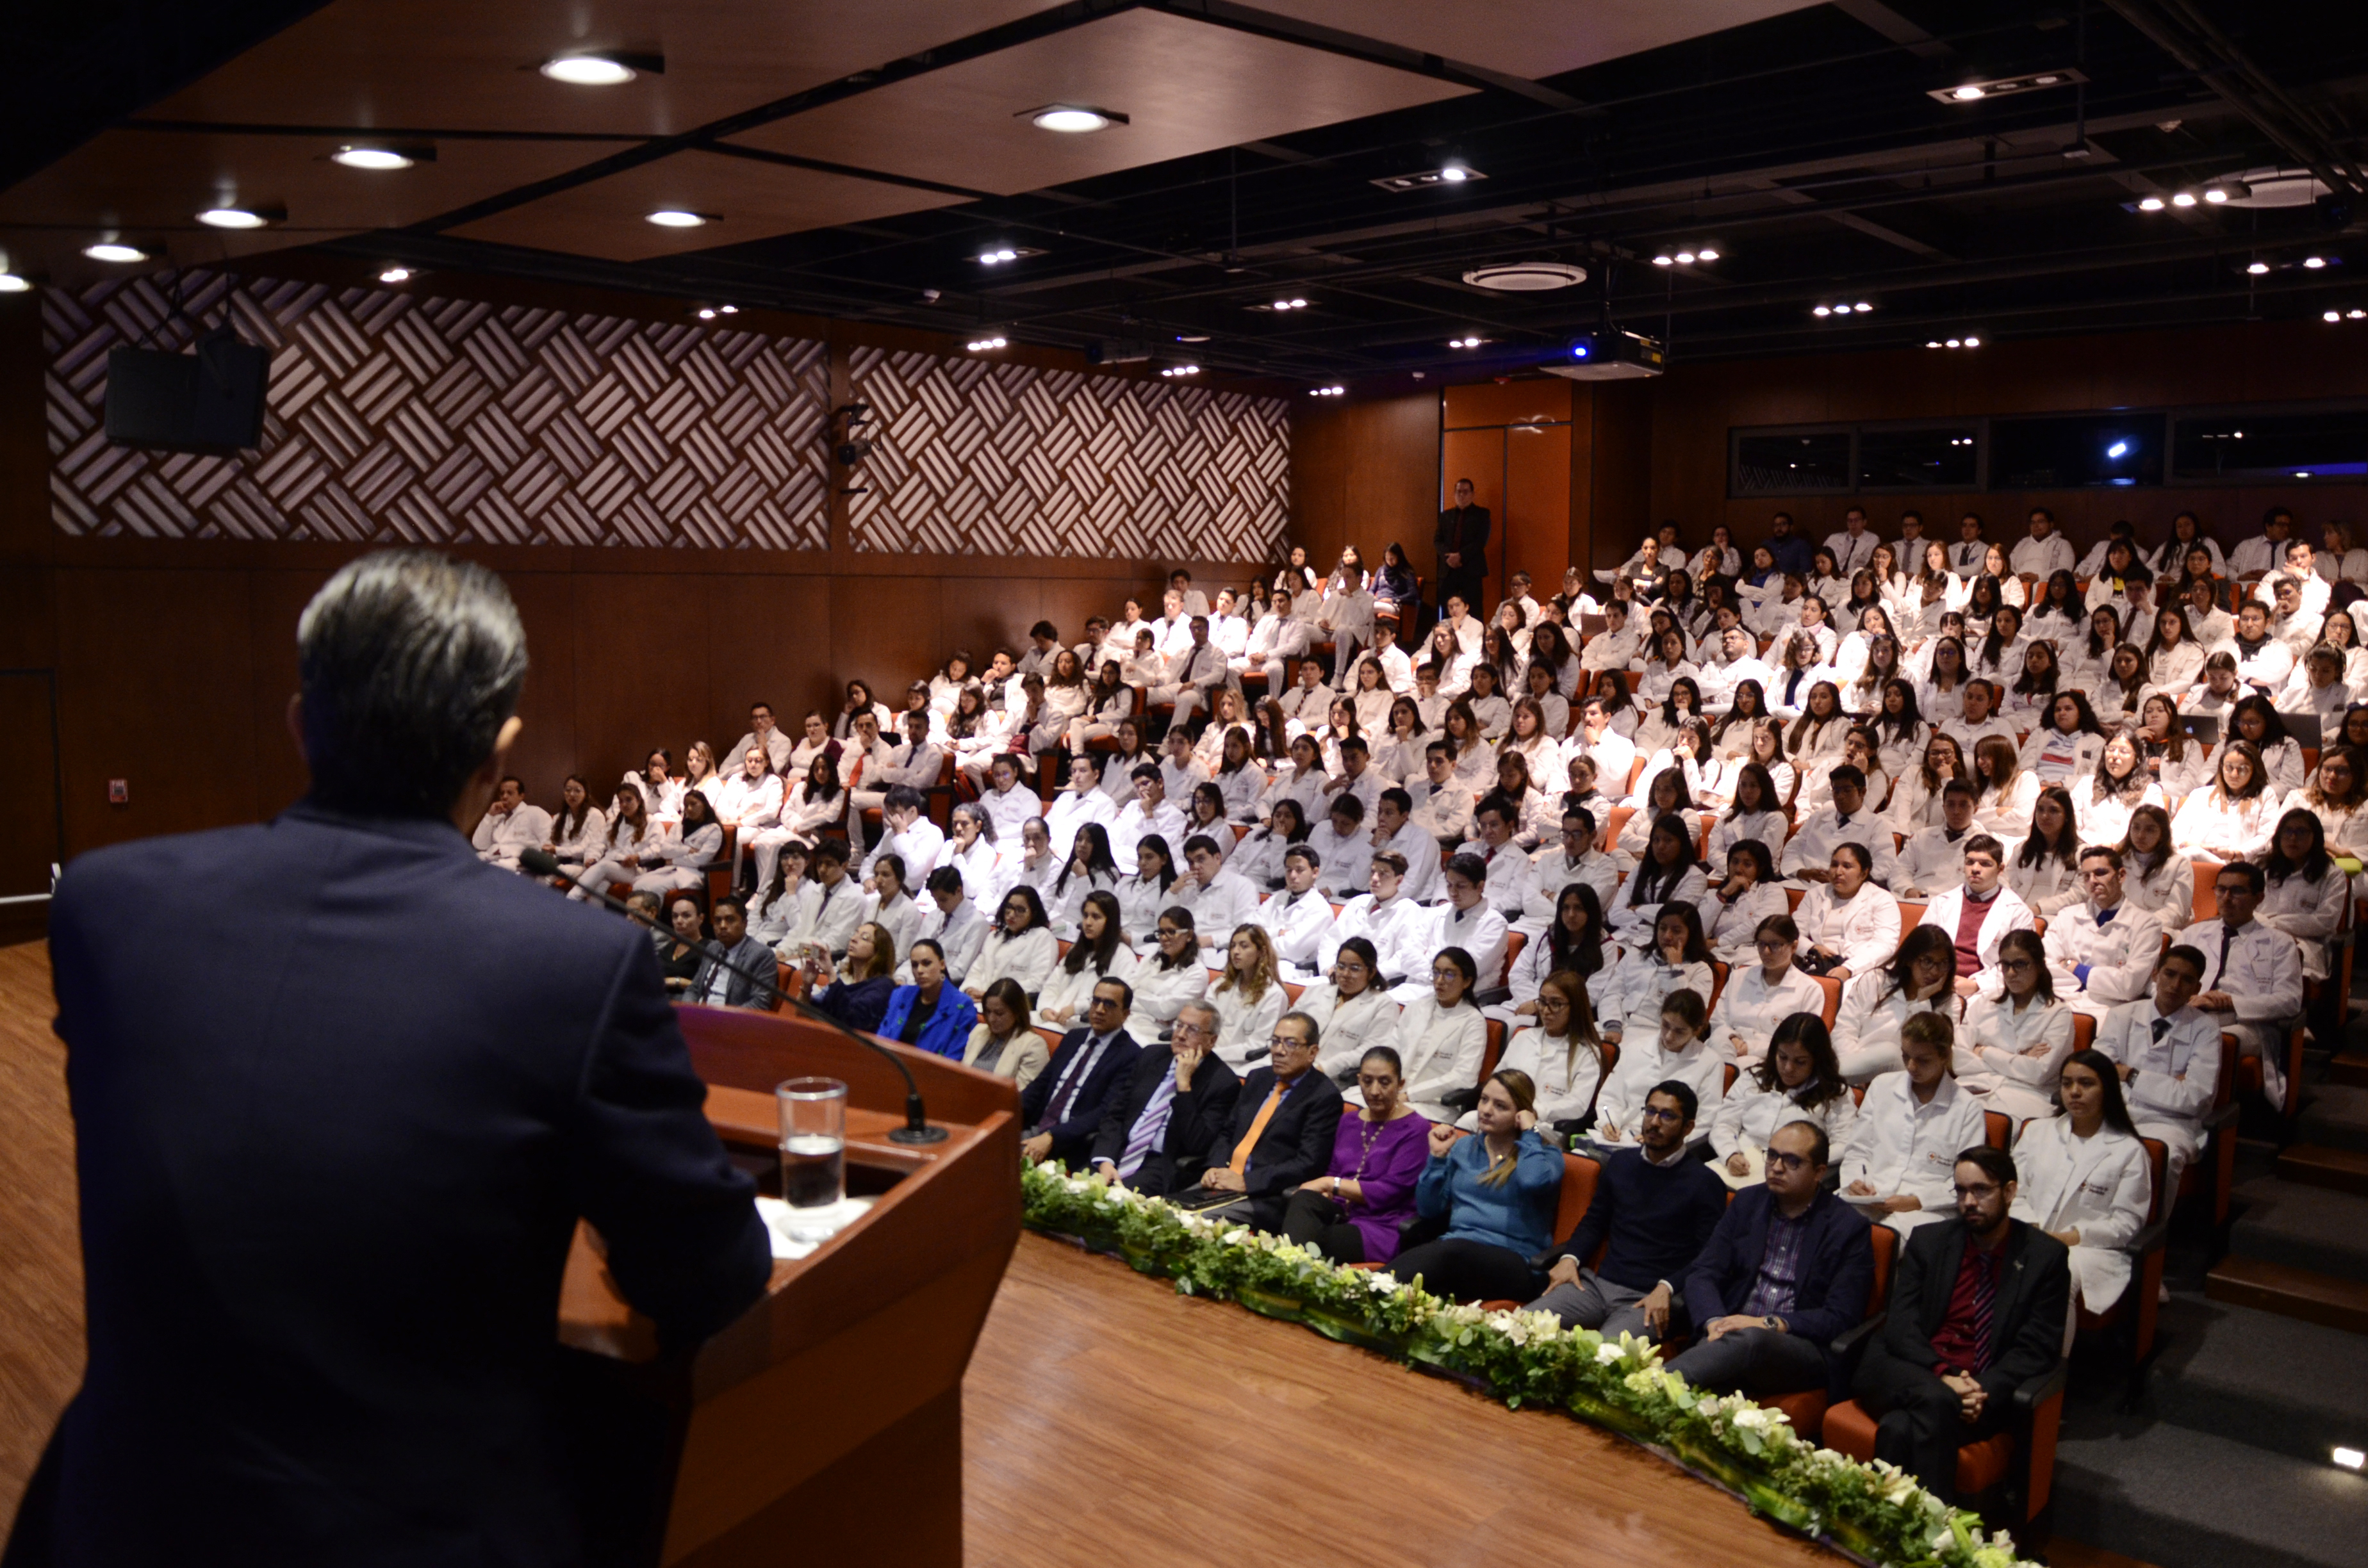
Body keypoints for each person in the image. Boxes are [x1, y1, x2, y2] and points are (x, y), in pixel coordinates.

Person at [38, 550, 773, 1562]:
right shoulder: (575, 964)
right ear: (497, 749)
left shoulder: (105, 908)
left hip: (124, 1519)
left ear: (301, 723)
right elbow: (708, 1276)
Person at [1850, 1144, 2071, 1505]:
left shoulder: (2044, 1258)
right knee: (1938, 1397)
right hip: (1913, 1371)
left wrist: (1979, 1391)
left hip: (1979, 1394)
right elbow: (1902, 1325)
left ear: (2010, 1192)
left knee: (1899, 1427)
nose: (1969, 1201)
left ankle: (1884, 1529)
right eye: (1961, 1191)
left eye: (1981, 1190)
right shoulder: (1930, 1241)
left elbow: (2037, 1347)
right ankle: (1937, 1539)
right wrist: (1945, 1376)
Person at [1665, 1120, 1875, 1398]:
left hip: (1796, 1348)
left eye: (1792, 1161)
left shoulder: (1849, 1228)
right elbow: (1704, 1272)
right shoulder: (1747, 1202)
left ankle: (1656, 1383)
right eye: (1772, 1155)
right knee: (1701, 1400)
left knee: (1750, 1339)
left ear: (1819, 1173)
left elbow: (1840, 1317)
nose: (1776, 1167)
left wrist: (1768, 1324)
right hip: (1728, 1333)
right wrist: (1714, 1322)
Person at [1527, 1081, 1727, 1339]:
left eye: (1667, 1116)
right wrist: (1570, 1258)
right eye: (1650, 1111)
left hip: (1647, 1299)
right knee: (1522, 1326)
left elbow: (1708, 1257)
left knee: (1603, 1359)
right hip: (1596, 1286)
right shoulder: (1621, 1162)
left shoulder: (1705, 1183)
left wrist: (1669, 1287)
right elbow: (1594, 1221)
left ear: (1688, 1127)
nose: (1654, 1122)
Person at [2009, 1050, 2154, 1332]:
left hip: (2090, 1250)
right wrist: (2033, 1229)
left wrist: (2066, 1237)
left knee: (2057, 1272)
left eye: (2086, 1084)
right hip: (2028, 1231)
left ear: (2108, 1090)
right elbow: (2013, 1191)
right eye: (2066, 1083)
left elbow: (2126, 1223)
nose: (2074, 1092)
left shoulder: (2129, 1151)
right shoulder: (2037, 1131)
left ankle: (2053, 1371)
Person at [1393, 1070, 1563, 1302]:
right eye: (1484, 1100)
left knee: (1452, 1252)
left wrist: (1530, 1134)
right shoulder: (1463, 1148)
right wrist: (1437, 1158)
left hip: (1515, 1263)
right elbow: (1428, 1210)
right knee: (1438, 1266)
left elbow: (1532, 1181)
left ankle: (1370, 1287)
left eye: (1500, 1106)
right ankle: (1371, 1290)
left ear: (1521, 1115)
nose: (1486, 1110)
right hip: (1456, 1256)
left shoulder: (1545, 1156)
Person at [1839, 1013, 1990, 1237]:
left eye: (1923, 1060)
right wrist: (1856, 1182)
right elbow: (1858, 1149)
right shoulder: (1882, 1087)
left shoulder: (1967, 1108)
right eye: (1906, 1056)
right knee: (1828, 1225)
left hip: (1928, 1209)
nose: (1911, 1066)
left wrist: (1916, 1201)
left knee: (1881, 1240)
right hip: (1872, 1194)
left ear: (1944, 1056)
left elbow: (1965, 1180)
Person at [1189, 1011, 1346, 1228]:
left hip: (1266, 1195)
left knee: (1194, 1222)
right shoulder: (1258, 1079)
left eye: (1290, 1044)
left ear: (1312, 1052)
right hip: (1224, 1181)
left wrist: (1247, 1182)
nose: (1279, 1051)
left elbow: (1308, 1163)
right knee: (1163, 1210)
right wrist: (1215, 1168)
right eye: (1275, 1041)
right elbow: (1228, 1132)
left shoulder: (1324, 1097)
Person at [1281, 1045, 1434, 1264]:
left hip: (1381, 1225)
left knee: (1312, 1240)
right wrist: (1327, 1192)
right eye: (1367, 1081)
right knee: (1303, 1200)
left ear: (1400, 1084)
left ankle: (1289, 1276)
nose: (1374, 1091)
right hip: (1341, 1211)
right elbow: (1334, 1170)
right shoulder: (1350, 1121)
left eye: (1384, 1082)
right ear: (1358, 1080)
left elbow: (1388, 1193)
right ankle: (1292, 1273)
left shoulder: (1416, 1129)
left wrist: (1329, 1184)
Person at [2174, 860, 2305, 1104]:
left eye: (2237, 891)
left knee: (2209, 1039)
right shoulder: (2193, 934)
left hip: (2248, 1024)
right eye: (2220, 890)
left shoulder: (2279, 943)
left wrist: (2231, 1003)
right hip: (2191, 1012)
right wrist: (2183, 997)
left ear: (2258, 898)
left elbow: (2290, 1001)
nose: (2226, 898)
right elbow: (2161, 981)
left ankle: (2189, 1106)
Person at [2094, 945, 2222, 1189]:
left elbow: (2195, 1098)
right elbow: (2098, 1072)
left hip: (2171, 1124)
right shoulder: (2121, 1015)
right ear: (2155, 975)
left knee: (2161, 1156)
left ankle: (2155, 1226)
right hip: (2117, 1112)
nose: (2175, 986)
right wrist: (2172, 1085)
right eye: (2170, 974)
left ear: (2197, 989)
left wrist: (2129, 1074)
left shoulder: (2206, 1030)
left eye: (2187, 980)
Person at [1087, 1001, 1244, 1194]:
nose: (1180, 1035)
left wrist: (1184, 1087)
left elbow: (1198, 1144)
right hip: (1117, 1151)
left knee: (1113, 1198)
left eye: (1192, 1030)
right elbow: (1115, 1114)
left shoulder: (1223, 1083)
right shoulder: (1151, 1056)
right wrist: (1106, 1160)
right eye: (1179, 1025)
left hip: (1160, 1164)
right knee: (1074, 1189)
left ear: (1211, 1041)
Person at [1709, 1013, 1859, 1187]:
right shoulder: (1754, 1078)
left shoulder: (1834, 1094)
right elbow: (1724, 1124)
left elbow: (1845, 1143)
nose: (1788, 1068)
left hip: (1791, 1174)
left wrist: (1800, 1161)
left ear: (1817, 1061)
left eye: (1800, 1062)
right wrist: (1730, 1154)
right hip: (1739, 1162)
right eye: (1783, 1057)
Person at [1019, 978, 1146, 1166]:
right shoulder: (1073, 1038)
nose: (1100, 1009)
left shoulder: (1131, 1055)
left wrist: (1053, 1136)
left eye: (1109, 1004)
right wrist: (1009, 1111)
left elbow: (1104, 1112)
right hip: (1037, 1126)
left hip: (1072, 1142)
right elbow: (1041, 1086)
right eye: (1096, 1001)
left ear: (1125, 1014)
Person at [1955, 929, 2075, 1122]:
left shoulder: (2058, 1014)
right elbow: (1959, 1060)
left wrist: (1984, 1051)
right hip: (1974, 1086)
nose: (2011, 973)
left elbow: (2038, 1073)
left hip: (2027, 1096)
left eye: (2020, 964)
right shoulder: (1985, 1004)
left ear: (2039, 966)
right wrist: (2020, 1059)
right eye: (2005, 965)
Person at [1832, 926, 1958, 1082]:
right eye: (1927, 961)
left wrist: (1922, 1002)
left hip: (1906, 1076)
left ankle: (1826, 1077)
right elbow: (1844, 1029)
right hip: (1854, 1067)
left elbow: (1923, 1049)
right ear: (1910, 960)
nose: (1934, 971)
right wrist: (1858, 1073)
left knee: (1891, 1053)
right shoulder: (1876, 981)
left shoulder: (1950, 1003)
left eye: (1943, 963)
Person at [1917, 835, 2034, 998]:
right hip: (1936, 981)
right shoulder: (1941, 903)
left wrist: (1977, 985)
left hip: (1986, 990)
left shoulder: (2018, 911)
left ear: (2000, 869)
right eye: (1970, 862)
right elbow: (1920, 949)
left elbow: (2020, 964)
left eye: (1985, 864)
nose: (1975, 869)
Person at [1706, 914, 1827, 1064]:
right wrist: (1732, 1038)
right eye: (1761, 944)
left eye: (1775, 945)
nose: (1766, 952)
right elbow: (1718, 1021)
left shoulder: (1810, 990)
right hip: (1726, 1046)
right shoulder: (1738, 977)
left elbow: (1801, 1041)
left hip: (1769, 1059)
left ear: (1794, 946)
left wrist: (1750, 1048)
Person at [1394, 946, 1492, 1122]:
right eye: (1436, 972)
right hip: (1394, 1092)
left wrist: (1411, 1095)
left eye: (1449, 974)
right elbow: (1391, 1050)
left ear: (1467, 982)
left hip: (1434, 1103)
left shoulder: (1472, 1020)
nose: (1439, 981)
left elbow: (1464, 1077)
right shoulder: (1415, 1007)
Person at [1793, 844, 1902, 980]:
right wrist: (1811, 948)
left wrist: (1849, 968)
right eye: (1834, 865)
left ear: (1864, 873)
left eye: (1847, 866)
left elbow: (1885, 946)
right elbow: (1792, 933)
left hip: (1862, 969)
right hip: (1816, 963)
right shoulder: (1814, 895)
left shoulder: (1882, 899)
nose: (1838, 872)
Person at [874, 938, 980, 1060]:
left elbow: (954, 1058)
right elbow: (881, 1039)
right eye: (915, 965)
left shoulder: (962, 1006)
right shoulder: (900, 995)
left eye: (927, 963)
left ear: (942, 965)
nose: (920, 970)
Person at [682, 894, 779, 1011]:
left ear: (745, 923)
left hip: (731, 1021)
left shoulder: (761, 955)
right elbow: (694, 989)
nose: (723, 926)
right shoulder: (713, 948)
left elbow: (759, 1003)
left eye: (730, 920)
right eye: (718, 921)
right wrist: (689, 1011)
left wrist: (725, 1020)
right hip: (700, 1016)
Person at [806, 920, 898, 1033]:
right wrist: (807, 985)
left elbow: (852, 1021)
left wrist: (831, 974)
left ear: (879, 952)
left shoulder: (883, 986)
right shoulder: (843, 976)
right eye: (855, 933)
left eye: (864, 938)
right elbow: (805, 1014)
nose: (854, 939)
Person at [472, 775, 554, 870]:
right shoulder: (498, 817)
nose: (505, 797)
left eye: (510, 793)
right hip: (492, 859)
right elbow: (479, 845)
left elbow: (550, 845)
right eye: (502, 793)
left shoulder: (534, 813)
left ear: (521, 796)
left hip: (519, 865)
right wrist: (489, 815)